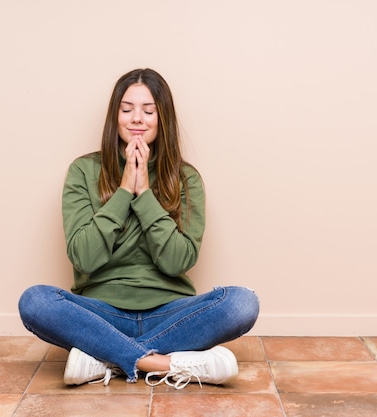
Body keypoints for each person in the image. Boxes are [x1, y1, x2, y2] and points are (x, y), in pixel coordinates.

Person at [18, 68, 259, 389]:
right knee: (35, 301)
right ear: (114, 116)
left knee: (242, 302)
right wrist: (123, 192)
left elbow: (178, 262)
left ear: (163, 119)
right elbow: (83, 259)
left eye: (148, 111)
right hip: (101, 312)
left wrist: (144, 194)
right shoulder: (84, 171)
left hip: (172, 312)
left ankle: (105, 356)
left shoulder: (185, 178)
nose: (137, 119)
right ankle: (163, 363)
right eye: (127, 109)